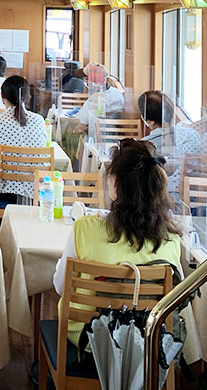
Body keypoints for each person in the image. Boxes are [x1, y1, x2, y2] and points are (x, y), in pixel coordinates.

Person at [53, 138, 182, 344]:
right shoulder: (172, 238)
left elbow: (61, 287)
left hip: (88, 340)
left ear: (115, 183)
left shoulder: (85, 228)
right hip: (145, 342)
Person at [0, 75, 49, 204]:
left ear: (2, 96)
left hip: (4, 191)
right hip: (35, 192)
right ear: (27, 97)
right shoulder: (39, 120)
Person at [138, 90, 202, 194]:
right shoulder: (190, 134)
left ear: (150, 122)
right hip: (192, 195)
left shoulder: (143, 146)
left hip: (157, 195)